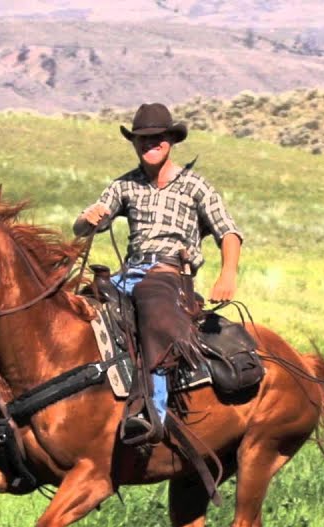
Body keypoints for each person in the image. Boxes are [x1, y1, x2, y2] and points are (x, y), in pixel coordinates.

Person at [73, 102, 244, 444]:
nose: (150, 145)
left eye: (157, 139)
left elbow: (228, 232)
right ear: (134, 143)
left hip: (169, 274)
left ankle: (153, 412)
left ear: (170, 141)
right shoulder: (125, 186)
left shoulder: (195, 186)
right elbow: (86, 224)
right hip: (129, 272)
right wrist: (87, 219)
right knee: (76, 306)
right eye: (142, 139)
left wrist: (227, 274)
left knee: (153, 312)